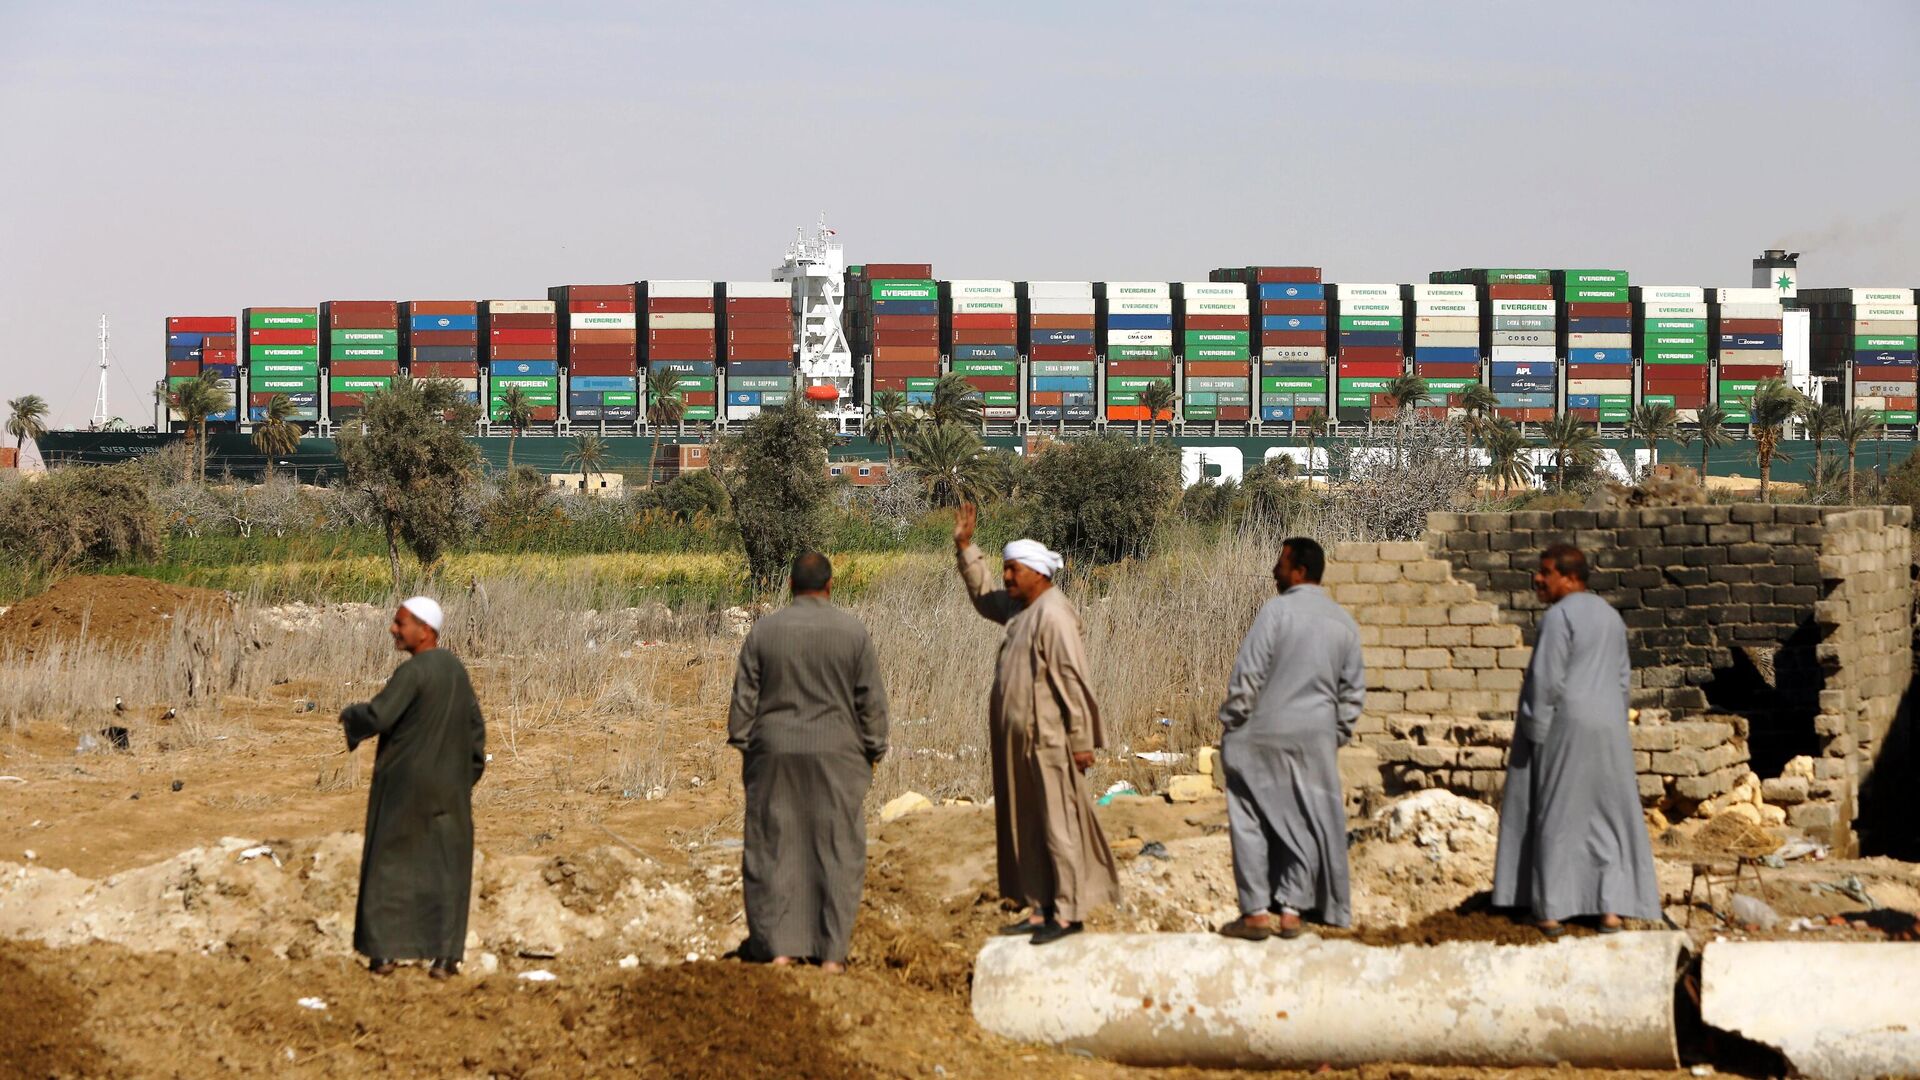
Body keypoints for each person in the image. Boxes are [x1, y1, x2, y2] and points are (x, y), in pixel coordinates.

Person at [953, 503, 1119, 946]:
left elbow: (1073, 681)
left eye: (1013, 571)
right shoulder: (1022, 609)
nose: (1006, 578)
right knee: (1026, 824)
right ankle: (1039, 905)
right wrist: (967, 550)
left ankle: (1066, 912)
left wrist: (1082, 742)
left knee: (1057, 826)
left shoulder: (1053, 614)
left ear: (1038, 573)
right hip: (1020, 745)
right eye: (1005, 570)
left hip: (1049, 742)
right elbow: (986, 598)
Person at [728, 551, 890, 973]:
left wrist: (748, 746)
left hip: (774, 752)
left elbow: (744, 698)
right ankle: (831, 954)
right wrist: (873, 748)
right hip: (837, 755)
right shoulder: (852, 632)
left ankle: (778, 948)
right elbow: (870, 701)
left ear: (789, 586)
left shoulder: (765, 631)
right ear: (830, 585)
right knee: (837, 847)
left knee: (772, 845)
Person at [1492, 544, 1663, 936]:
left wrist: (1532, 733)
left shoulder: (1558, 617)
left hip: (1566, 725)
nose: (1537, 578)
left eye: (1545, 572)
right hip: (1609, 726)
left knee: (1559, 812)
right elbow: (1623, 680)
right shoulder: (1610, 617)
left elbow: (1546, 680)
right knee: (1607, 816)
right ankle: (1610, 910)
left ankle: (1550, 910)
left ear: (1570, 578)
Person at [1215, 537, 1364, 940]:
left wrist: (1231, 721)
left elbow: (1249, 676)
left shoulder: (1276, 611)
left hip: (1261, 733)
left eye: (1280, 563)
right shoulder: (1343, 623)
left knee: (1249, 816)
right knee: (1304, 818)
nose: (1274, 571)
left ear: (1298, 571)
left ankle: (1257, 913)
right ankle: (1293, 911)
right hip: (1315, 738)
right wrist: (1333, 735)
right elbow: (1352, 695)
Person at [340, 596, 486, 978]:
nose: (393, 629)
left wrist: (350, 716)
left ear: (425, 630)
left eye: (400, 623)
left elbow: (379, 715)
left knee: (387, 865)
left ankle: (384, 953)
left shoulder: (414, 672)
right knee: (447, 868)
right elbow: (476, 733)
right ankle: (444, 958)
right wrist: (461, 781)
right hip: (449, 792)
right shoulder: (455, 670)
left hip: (404, 788)